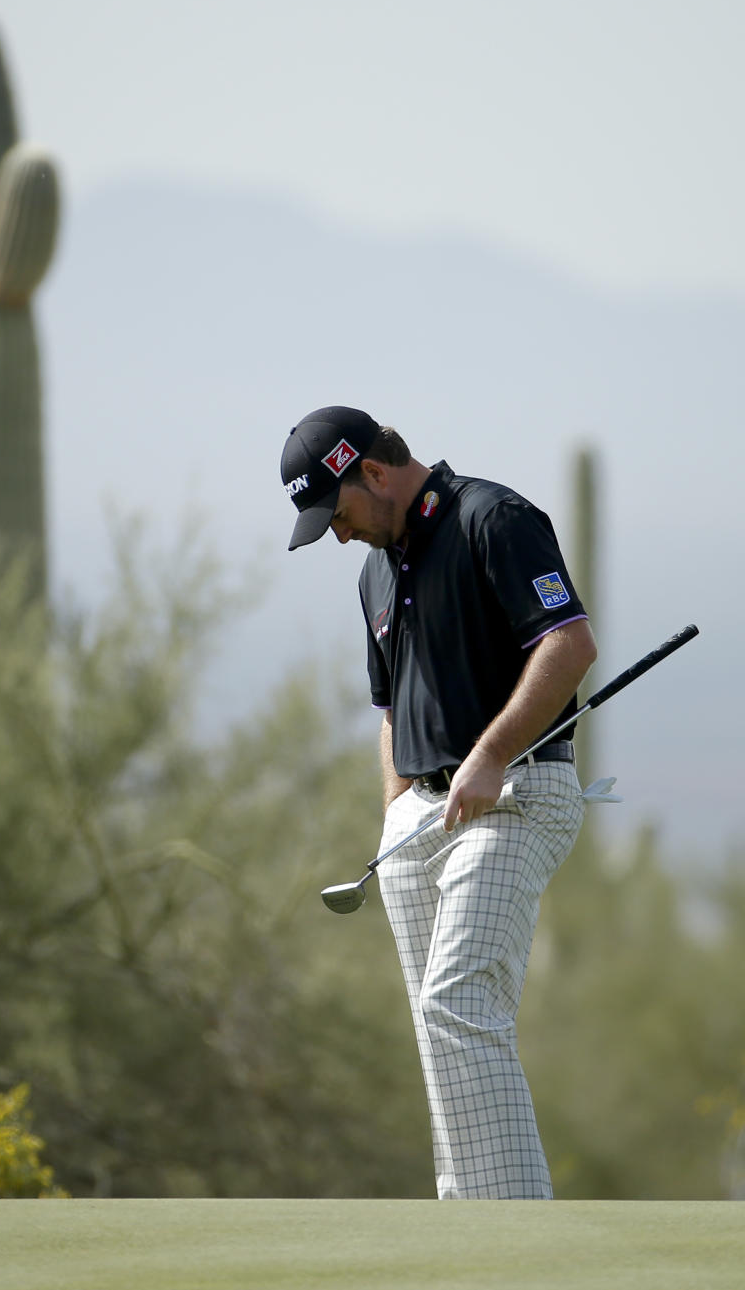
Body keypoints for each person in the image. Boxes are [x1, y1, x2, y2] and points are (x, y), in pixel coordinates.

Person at [280, 405, 597, 1200]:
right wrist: (395, 807)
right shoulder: (375, 574)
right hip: (419, 816)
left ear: (375, 473)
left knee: (457, 1000)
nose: (341, 535)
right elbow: (392, 708)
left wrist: (489, 755)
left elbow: (568, 643)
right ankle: (468, 1221)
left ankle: (518, 1236)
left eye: (339, 513)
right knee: (434, 1028)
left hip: (518, 795)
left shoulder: (495, 518)